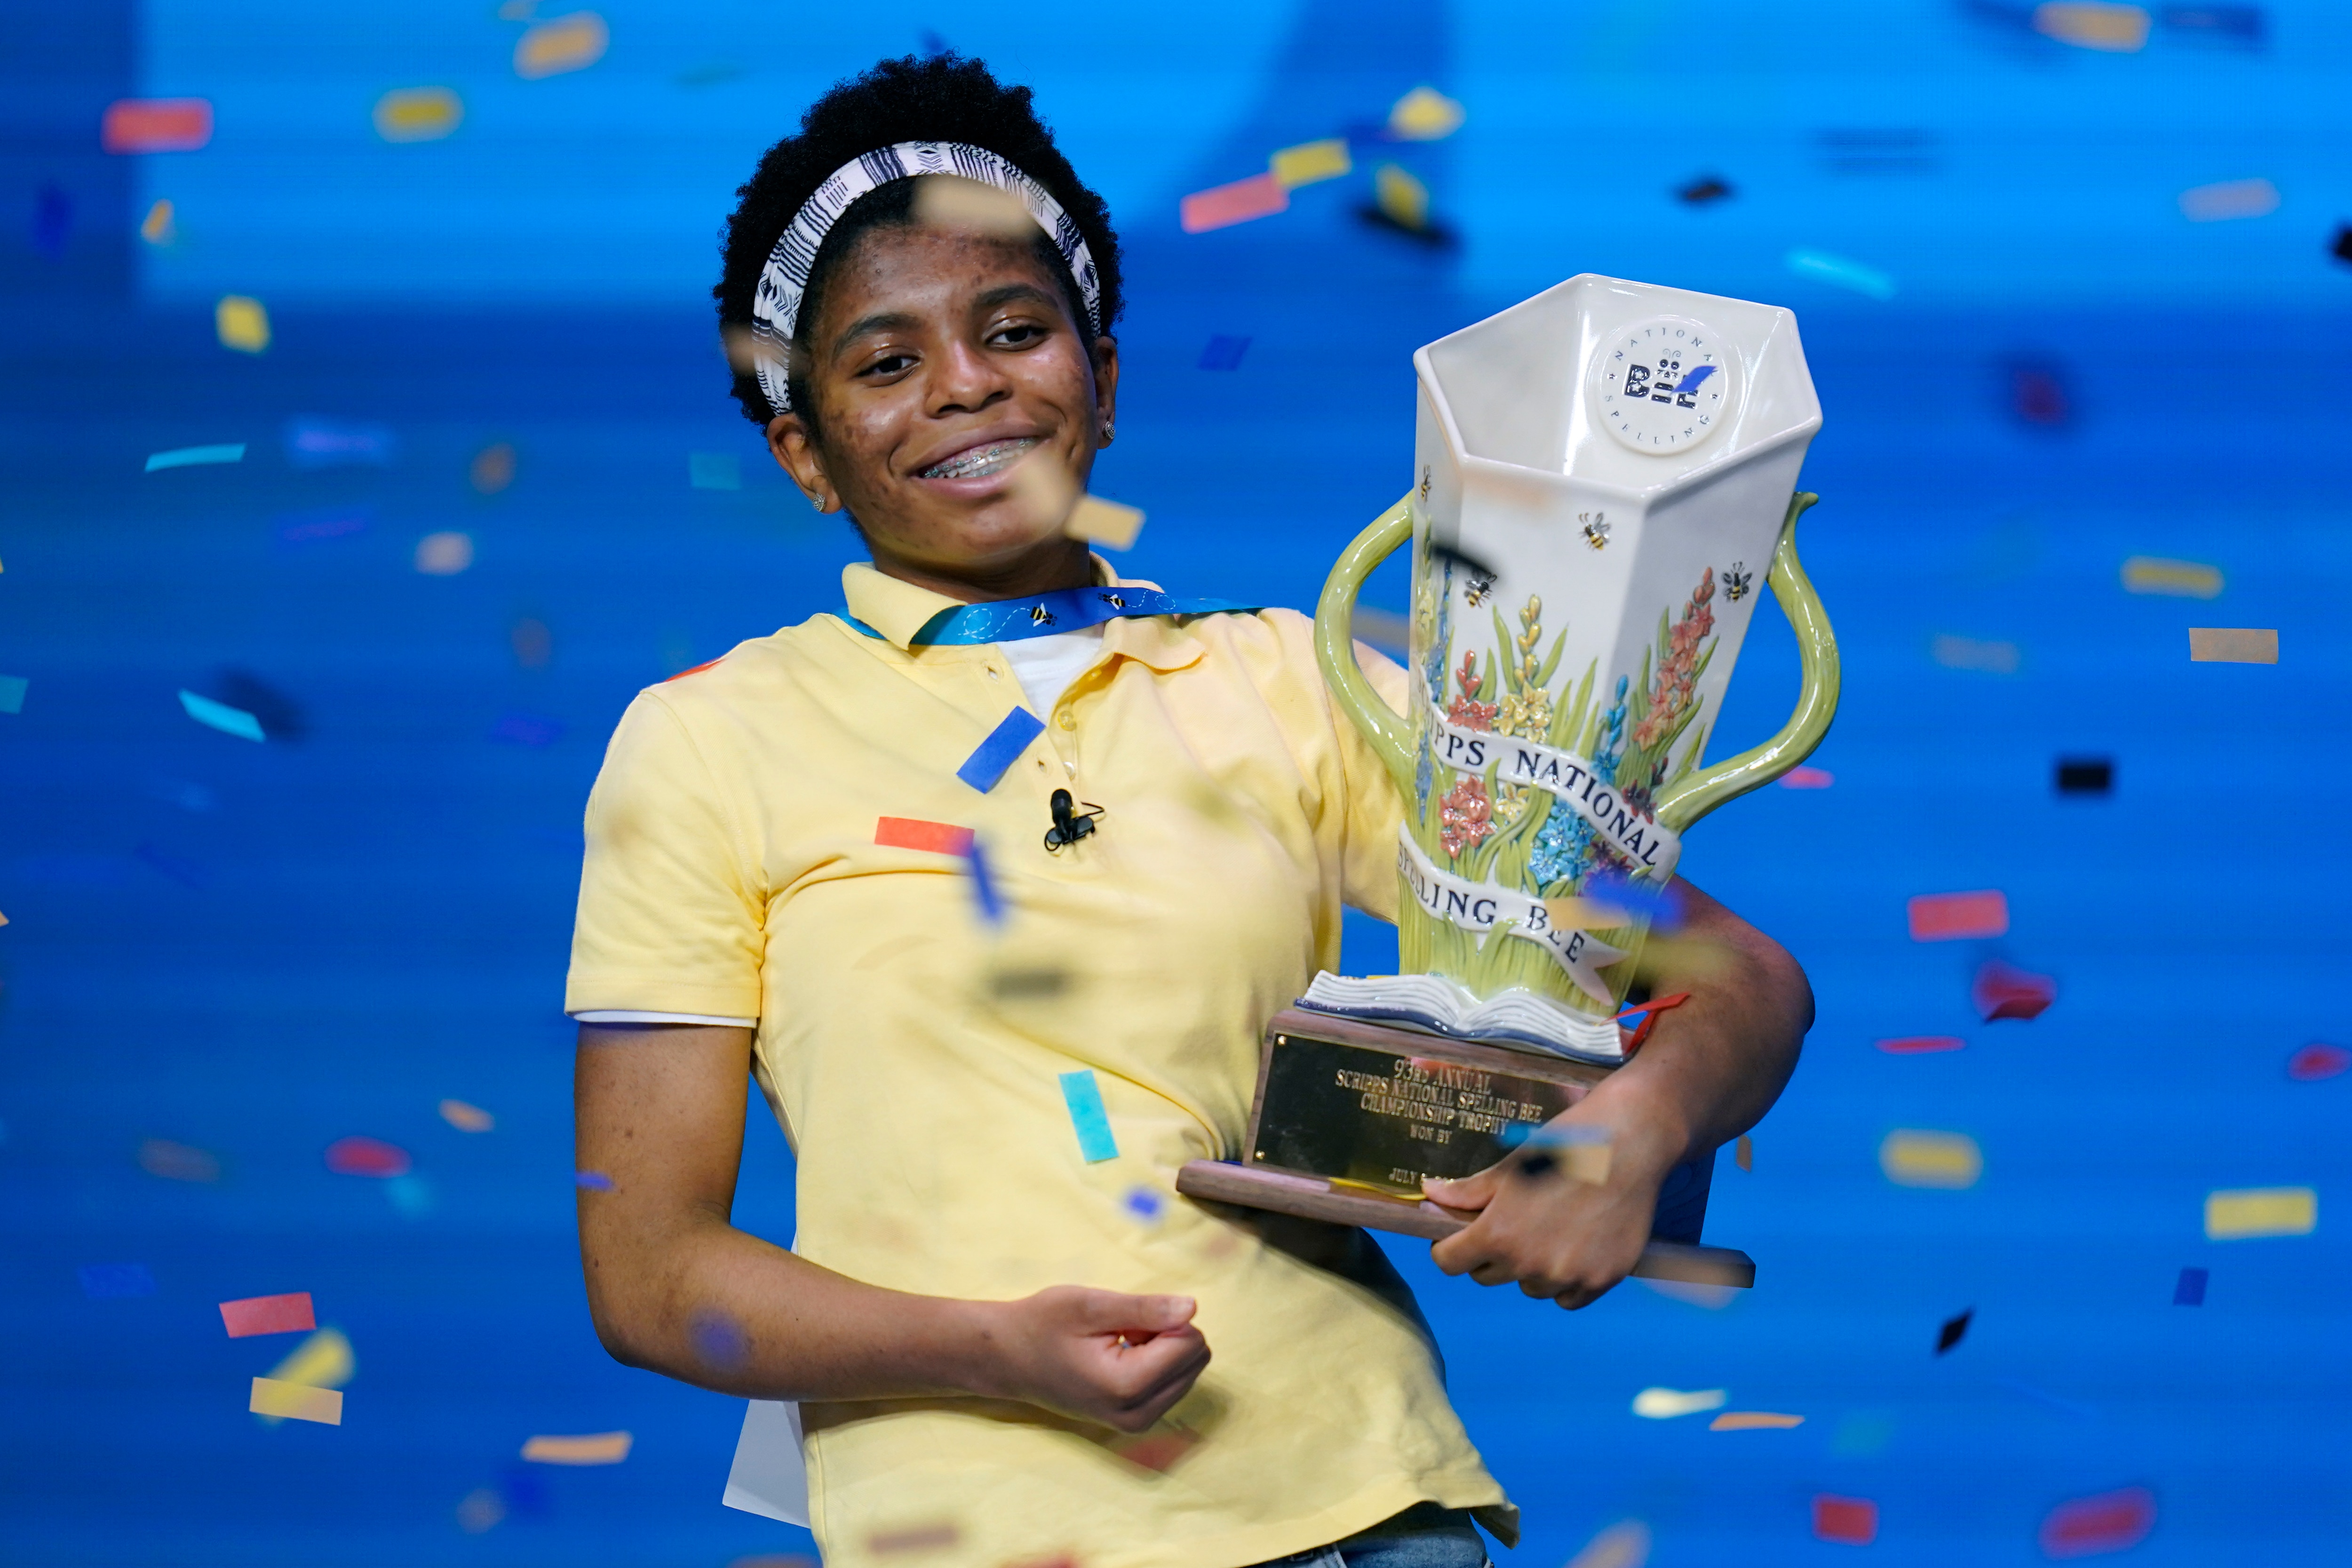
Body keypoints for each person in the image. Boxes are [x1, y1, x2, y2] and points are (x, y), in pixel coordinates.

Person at [568, 53, 1811, 1568]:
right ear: (804, 451)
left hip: (1373, 1508)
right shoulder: (707, 742)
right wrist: (992, 1351)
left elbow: (1742, 983)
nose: (964, 383)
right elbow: (647, 1275)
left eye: (1014, 330)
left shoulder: (1293, 680)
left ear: (1101, 377)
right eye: (883, 364)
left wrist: (1634, 1127)